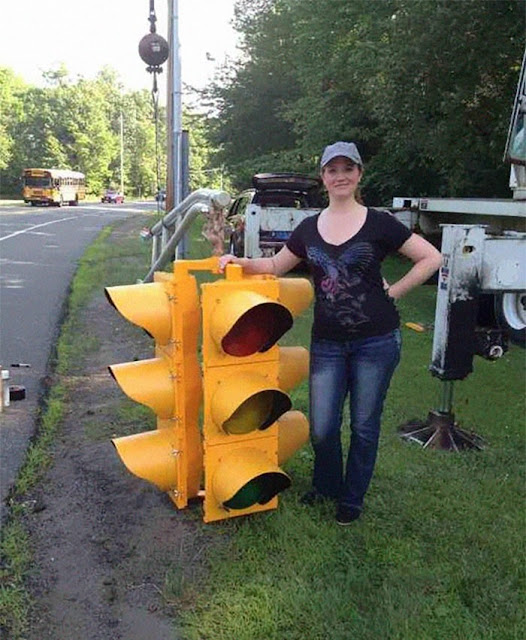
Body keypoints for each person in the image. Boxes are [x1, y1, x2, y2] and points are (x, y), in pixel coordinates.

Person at [219, 141, 443, 525]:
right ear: (323, 177)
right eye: (332, 170)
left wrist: (393, 292)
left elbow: (431, 257)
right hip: (327, 345)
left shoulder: (379, 222)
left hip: (376, 342)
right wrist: (237, 261)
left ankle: (351, 499)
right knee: (322, 428)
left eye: (347, 169)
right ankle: (326, 486)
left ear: (359, 174)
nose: (340, 176)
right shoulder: (309, 228)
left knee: (364, 426)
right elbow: (275, 265)